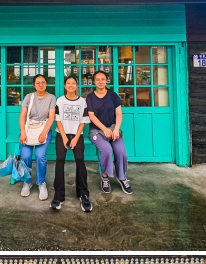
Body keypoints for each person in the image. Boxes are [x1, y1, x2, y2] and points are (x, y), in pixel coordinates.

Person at [86, 71, 131, 195]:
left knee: (121, 152)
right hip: (97, 131)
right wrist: (104, 129)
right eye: (97, 79)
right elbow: (91, 116)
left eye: (103, 79)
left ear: (107, 81)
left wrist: (116, 129)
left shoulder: (113, 95)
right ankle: (105, 177)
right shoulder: (90, 97)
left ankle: (122, 177)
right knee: (107, 150)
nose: (100, 82)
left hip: (113, 129)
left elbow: (119, 114)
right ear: (94, 82)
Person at [52, 75, 92, 212]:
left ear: (76, 86)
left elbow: (83, 121)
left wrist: (75, 138)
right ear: (65, 86)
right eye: (68, 83)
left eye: (73, 83)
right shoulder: (60, 100)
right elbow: (57, 119)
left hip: (77, 134)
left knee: (80, 159)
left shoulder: (82, 101)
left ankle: (83, 194)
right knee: (60, 159)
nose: (70, 85)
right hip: (62, 133)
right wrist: (64, 137)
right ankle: (58, 196)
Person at [18, 74, 56, 201]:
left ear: (46, 84)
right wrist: (23, 133)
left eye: (43, 82)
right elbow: (22, 116)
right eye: (38, 83)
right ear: (33, 85)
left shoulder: (51, 98)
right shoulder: (29, 97)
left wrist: (44, 133)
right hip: (29, 129)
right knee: (26, 156)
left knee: (40, 156)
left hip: (44, 129)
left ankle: (41, 183)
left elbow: (51, 117)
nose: (41, 85)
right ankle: (27, 181)